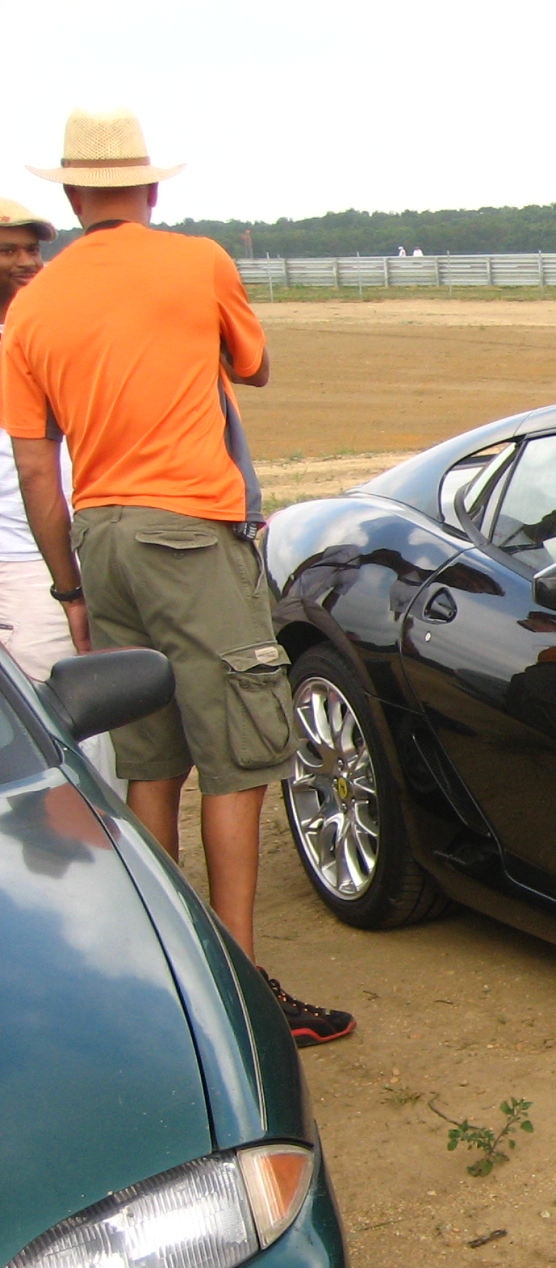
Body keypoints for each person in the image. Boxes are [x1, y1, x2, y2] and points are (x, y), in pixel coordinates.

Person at [2, 106, 353, 1044]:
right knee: (236, 757)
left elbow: (39, 468)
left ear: (73, 196)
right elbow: (257, 363)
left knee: (149, 758)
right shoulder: (198, 262)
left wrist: (70, 588)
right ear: (151, 188)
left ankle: (167, 982)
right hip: (190, 529)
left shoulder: (30, 307)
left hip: (101, 534)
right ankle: (237, 989)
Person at [0, 198, 70, 682]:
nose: (27, 262)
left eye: (32, 250)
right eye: (8, 251)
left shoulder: (49, 333)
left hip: (60, 553)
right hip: (19, 561)